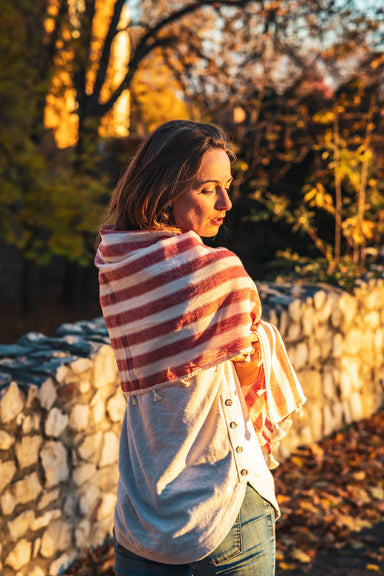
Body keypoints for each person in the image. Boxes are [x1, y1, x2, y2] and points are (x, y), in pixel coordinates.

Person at [95, 120, 306, 576]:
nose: (226, 203)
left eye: (227, 187)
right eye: (210, 189)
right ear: (164, 188)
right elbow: (249, 379)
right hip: (224, 511)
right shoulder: (222, 273)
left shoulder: (115, 264)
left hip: (139, 516)